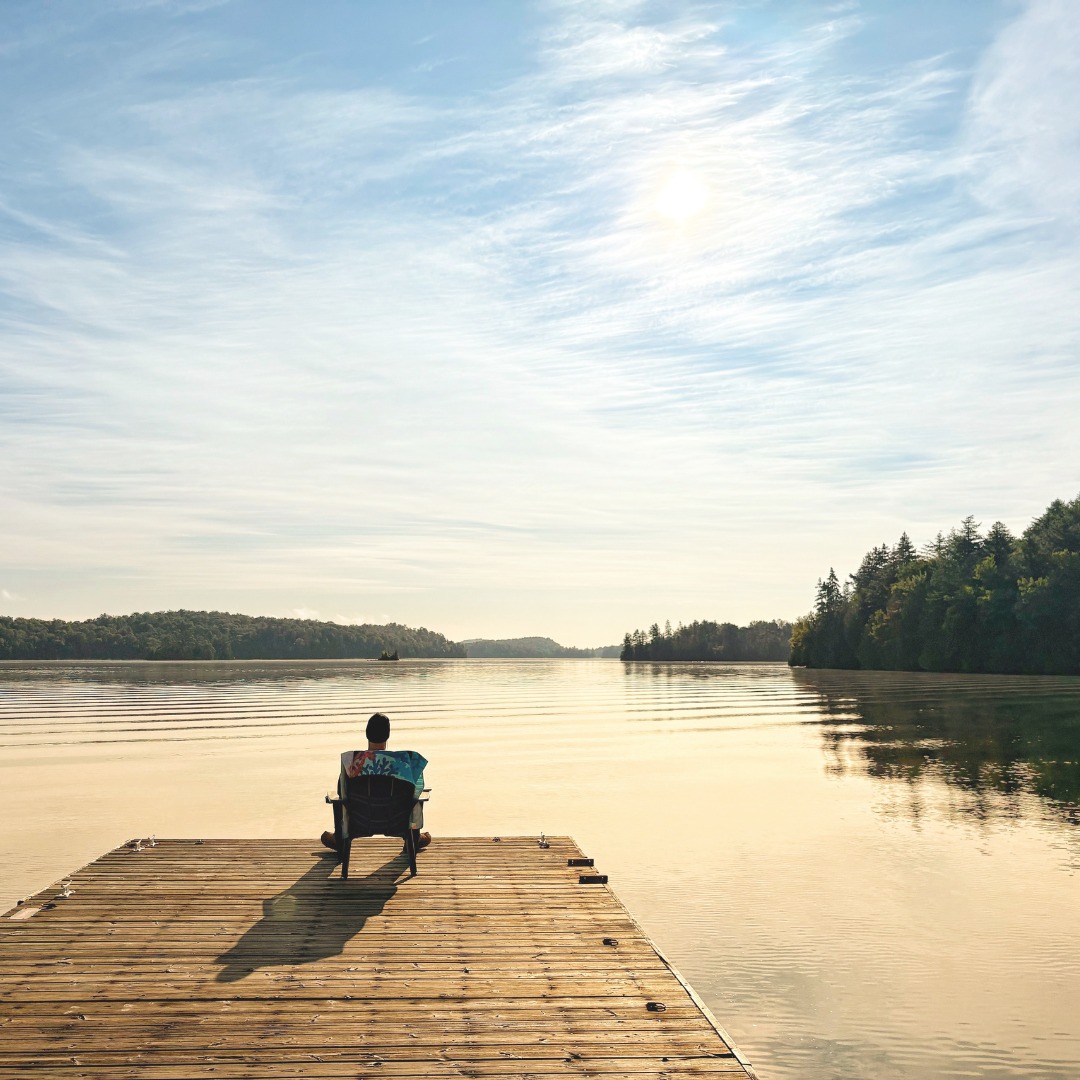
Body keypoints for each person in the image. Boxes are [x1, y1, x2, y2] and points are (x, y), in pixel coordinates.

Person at [321, 712, 431, 852]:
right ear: (388, 735)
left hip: (359, 823)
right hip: (398, 822)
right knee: (417, 796)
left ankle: (340, 839)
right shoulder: (406, 763)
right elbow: (416, 793)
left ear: (367, 734)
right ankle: (413, 840)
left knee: (338, 799)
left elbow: (342, 793)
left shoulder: (352, 763)